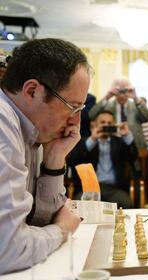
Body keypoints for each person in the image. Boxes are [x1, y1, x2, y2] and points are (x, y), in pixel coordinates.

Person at [0, 38, 90, 274]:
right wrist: (62, 229)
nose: (76, 122)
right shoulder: (2, 123)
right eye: (73, 107)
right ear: (32, 91)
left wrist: (55, 159)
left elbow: (37, 223)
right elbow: (9, 250)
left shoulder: (34, 129)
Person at [67, 110, 137, 208]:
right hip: (88, 189)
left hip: (113, 189)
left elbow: (133, 156)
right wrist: (93, 139)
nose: (106, 125)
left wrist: (127, 135)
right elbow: (73, 160)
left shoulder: (119, 142)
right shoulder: (85, 141)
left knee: (126, 203)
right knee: (79, 206)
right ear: (94, 125)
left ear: (114, 126)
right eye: (102, 122)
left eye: (109, 123)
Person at [89, 77, 148, 175]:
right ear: (114, 91)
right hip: (113, 148)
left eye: (125, 91)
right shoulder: (108, 105)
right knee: (118, 174)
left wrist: (135, 97)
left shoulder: (136, 104)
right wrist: (107, 97)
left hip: (134, 147)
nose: (122, 95)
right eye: (119, 91)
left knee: (135, 175)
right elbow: (91, 115)